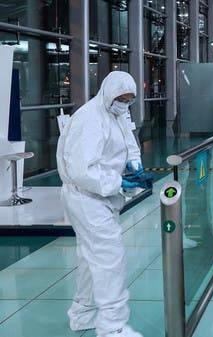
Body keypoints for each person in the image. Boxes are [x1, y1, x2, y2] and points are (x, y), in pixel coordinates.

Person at [56, 71, 144, 337]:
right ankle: (112, 327)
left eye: (130, 100)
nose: (125, 104)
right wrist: (118, 181)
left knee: (89, 258)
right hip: (87, 197)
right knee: (109, 259)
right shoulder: (91, 118)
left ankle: (83, 315)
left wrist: (135, 163)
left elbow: (128, 137)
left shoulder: (115, 112)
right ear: (108, 92)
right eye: (122, 99)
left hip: (99, 196)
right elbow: (82, 170)